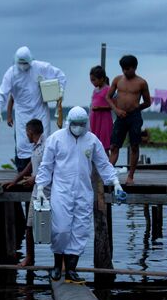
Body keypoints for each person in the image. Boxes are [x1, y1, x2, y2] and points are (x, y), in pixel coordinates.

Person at [35, 106, 124, 284]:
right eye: (75, 124)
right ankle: (56, 265)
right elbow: (46, 166)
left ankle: (71, 271)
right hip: (61, 191)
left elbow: (104, 164)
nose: (78, 127)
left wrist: (116, 183)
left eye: (81, 124)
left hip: (84, 192)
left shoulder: (92, 140)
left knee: (80, 231)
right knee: (60, 229)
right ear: (68, 122)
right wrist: (40, 189)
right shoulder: (56, 139)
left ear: (86, 123)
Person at [0, 46, 67, 173]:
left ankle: (46, 171)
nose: (23, 66)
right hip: (22, 115)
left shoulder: (40, 67)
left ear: (31, 61)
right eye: (20, 63)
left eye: (25, 63)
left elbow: (60, 75)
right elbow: (2, 92)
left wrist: (60, 92)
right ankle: (23, 171)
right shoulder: (11, 73)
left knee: (44, 143)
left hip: (40, 111)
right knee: (23, 145)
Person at [2, 119, 45, 266]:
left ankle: (62, 261)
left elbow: (53, 167)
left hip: (50, 191)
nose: (26, 134)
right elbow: (29, 165)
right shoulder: (35, 147)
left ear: (30, 132)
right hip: (36, 191)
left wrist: (35, 178)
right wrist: (15, 180)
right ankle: (29, 257)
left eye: (26, 132)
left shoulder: (48, 145)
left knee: (55, 227)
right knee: (30, 226)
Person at [106, 54, 151, 185]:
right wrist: (116, 110)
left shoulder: (141, 82)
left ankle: (130, 177)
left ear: (134, 67)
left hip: (134, 117)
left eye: (128, 69)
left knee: (134, 146)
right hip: (120, 116)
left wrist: (136, 109)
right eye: (123, 69)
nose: (125, 71)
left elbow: (148, 102)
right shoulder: (117, 80)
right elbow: (108, 97)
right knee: (114, 146)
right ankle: (108, 175)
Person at [88, 65, 112, 154]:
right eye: (91, 80)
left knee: (104, 144)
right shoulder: (95, 90)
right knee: (94, 143)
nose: (92, 82)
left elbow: (113, 106)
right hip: (95, 119)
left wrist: (100, 108)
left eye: (94, 80)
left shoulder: (108, 89)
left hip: (104, 119)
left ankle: (106, 165)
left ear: (102, 78)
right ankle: (95, 166)